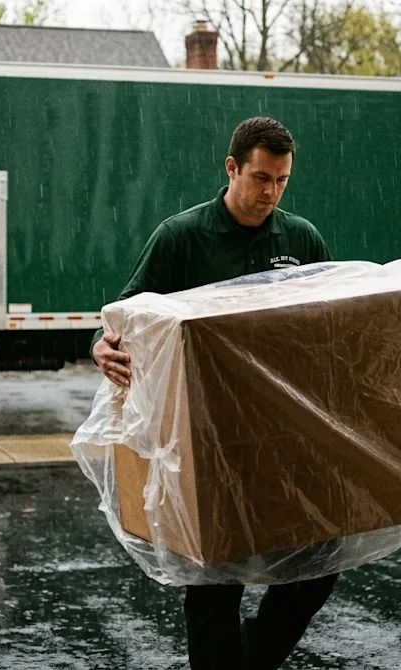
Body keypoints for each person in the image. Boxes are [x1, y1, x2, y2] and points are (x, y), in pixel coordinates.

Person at [90, 117, 338, 670]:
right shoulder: (181, 237)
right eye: (259, 178)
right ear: (231, 169)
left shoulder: (301, 239)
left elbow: (328, 325)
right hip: (205, 440)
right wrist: (99, 346)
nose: (269, 193)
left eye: (281, 181)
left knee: (319, 564)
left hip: (282, 438)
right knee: (211, 589)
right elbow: (125, 318)